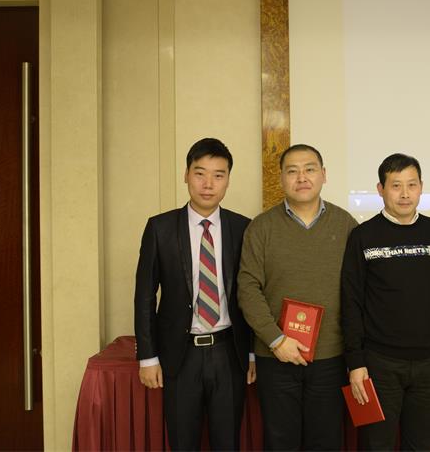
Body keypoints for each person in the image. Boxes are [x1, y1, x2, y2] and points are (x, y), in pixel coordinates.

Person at [134, 138, 254, 451]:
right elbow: (144, 296)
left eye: (218, 175)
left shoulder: (243, 228)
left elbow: (253, 293)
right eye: (200, 173)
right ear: (186, 175)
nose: (208, 184)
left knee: (227, 443)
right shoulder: (160, 228)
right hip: (179, 355)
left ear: (228, 180)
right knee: (182, 442)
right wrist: (147, 357)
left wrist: (252, 353)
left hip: (229, 354)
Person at [237, 144, 358, 450]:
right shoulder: (261, 227)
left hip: (330, 357)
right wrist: (276, 340)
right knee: (280, 442)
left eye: (310, 169)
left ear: (324, 175)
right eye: (292, 171)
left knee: (326, 442)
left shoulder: (346, 225)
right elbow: (248, 289)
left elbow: (358, 292)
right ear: (281, 178)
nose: (302, 177)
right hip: (275, 356)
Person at [341, 153, 430, 451]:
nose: (405, 194)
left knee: (421, 445)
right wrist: (356, 362)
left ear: (421, 187)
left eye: (412, 185)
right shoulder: (363, 236)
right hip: (378, 363)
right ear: (380, 189)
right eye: (396, 186)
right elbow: (351, 302)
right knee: (376, 445)